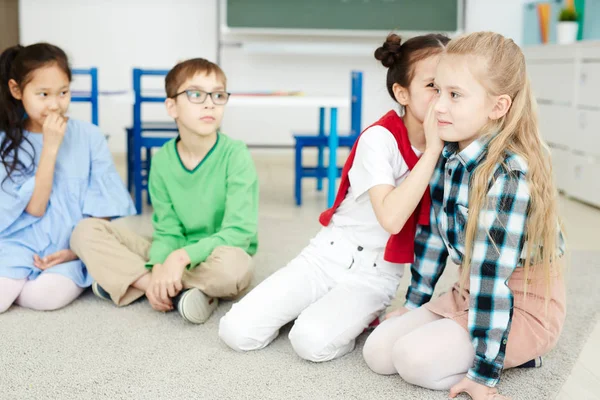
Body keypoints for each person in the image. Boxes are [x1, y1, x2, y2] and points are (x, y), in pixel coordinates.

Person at [219, 33, 450, 362]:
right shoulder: (379, 138)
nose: (443, 100)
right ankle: (322, 308)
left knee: (309, 342)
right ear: (402, 93)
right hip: (325, 256)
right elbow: (391, 216)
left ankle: (343, 315)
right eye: (432, 87)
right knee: (236, 331)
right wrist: (432, 151)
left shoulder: (454, 151)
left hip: (375, 274)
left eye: (450, 88)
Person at [363, 31, 566, 400]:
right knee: (378, 353)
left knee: (414, 361)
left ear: (498, 106)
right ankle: (459, 338)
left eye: (454, 95)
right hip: (467, 293)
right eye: (437, 90)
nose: (439, 106)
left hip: (517, 305)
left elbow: (492, 277)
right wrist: (415, 303)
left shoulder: (509, 175)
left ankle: (517, 353)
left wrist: (485, 372)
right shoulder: (449, 154)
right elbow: (432, 237)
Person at [70, 57, 258, 324]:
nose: (209, 104)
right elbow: (168, 230)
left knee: (235, 269)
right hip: (173, 250)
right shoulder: (162, 160)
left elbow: (239, 232)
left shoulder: (236, 155)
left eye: (218, 95)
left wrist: (181, 258)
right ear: (172, 106)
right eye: (195, 94)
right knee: (85, 231)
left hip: (218, 252)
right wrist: (161, 264)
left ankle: (133, 282)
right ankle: (162, 286)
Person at [0, 43, 135, 313]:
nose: (55, 104)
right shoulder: (7, 141)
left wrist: (76, 251)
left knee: (43, 298)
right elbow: (35, 209)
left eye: (63, 92)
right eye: (43, 94)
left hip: (69, 245)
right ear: (17, 90)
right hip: (20, 241)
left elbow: (103, 211)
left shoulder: (90, 136)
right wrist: (50, 148)